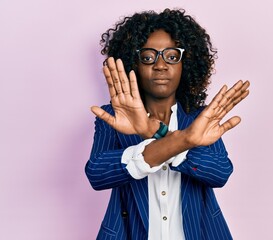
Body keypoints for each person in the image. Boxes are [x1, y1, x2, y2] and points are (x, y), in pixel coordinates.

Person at [85, 8, 250, 240]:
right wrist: (181, 142)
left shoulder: (198, 118)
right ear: (134, 63)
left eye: (172, 56)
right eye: (148, 57)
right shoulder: (112, 116)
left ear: (186, 64)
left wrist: (155, 132)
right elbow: (97, 174)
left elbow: (220, 173)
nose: (160, 65)